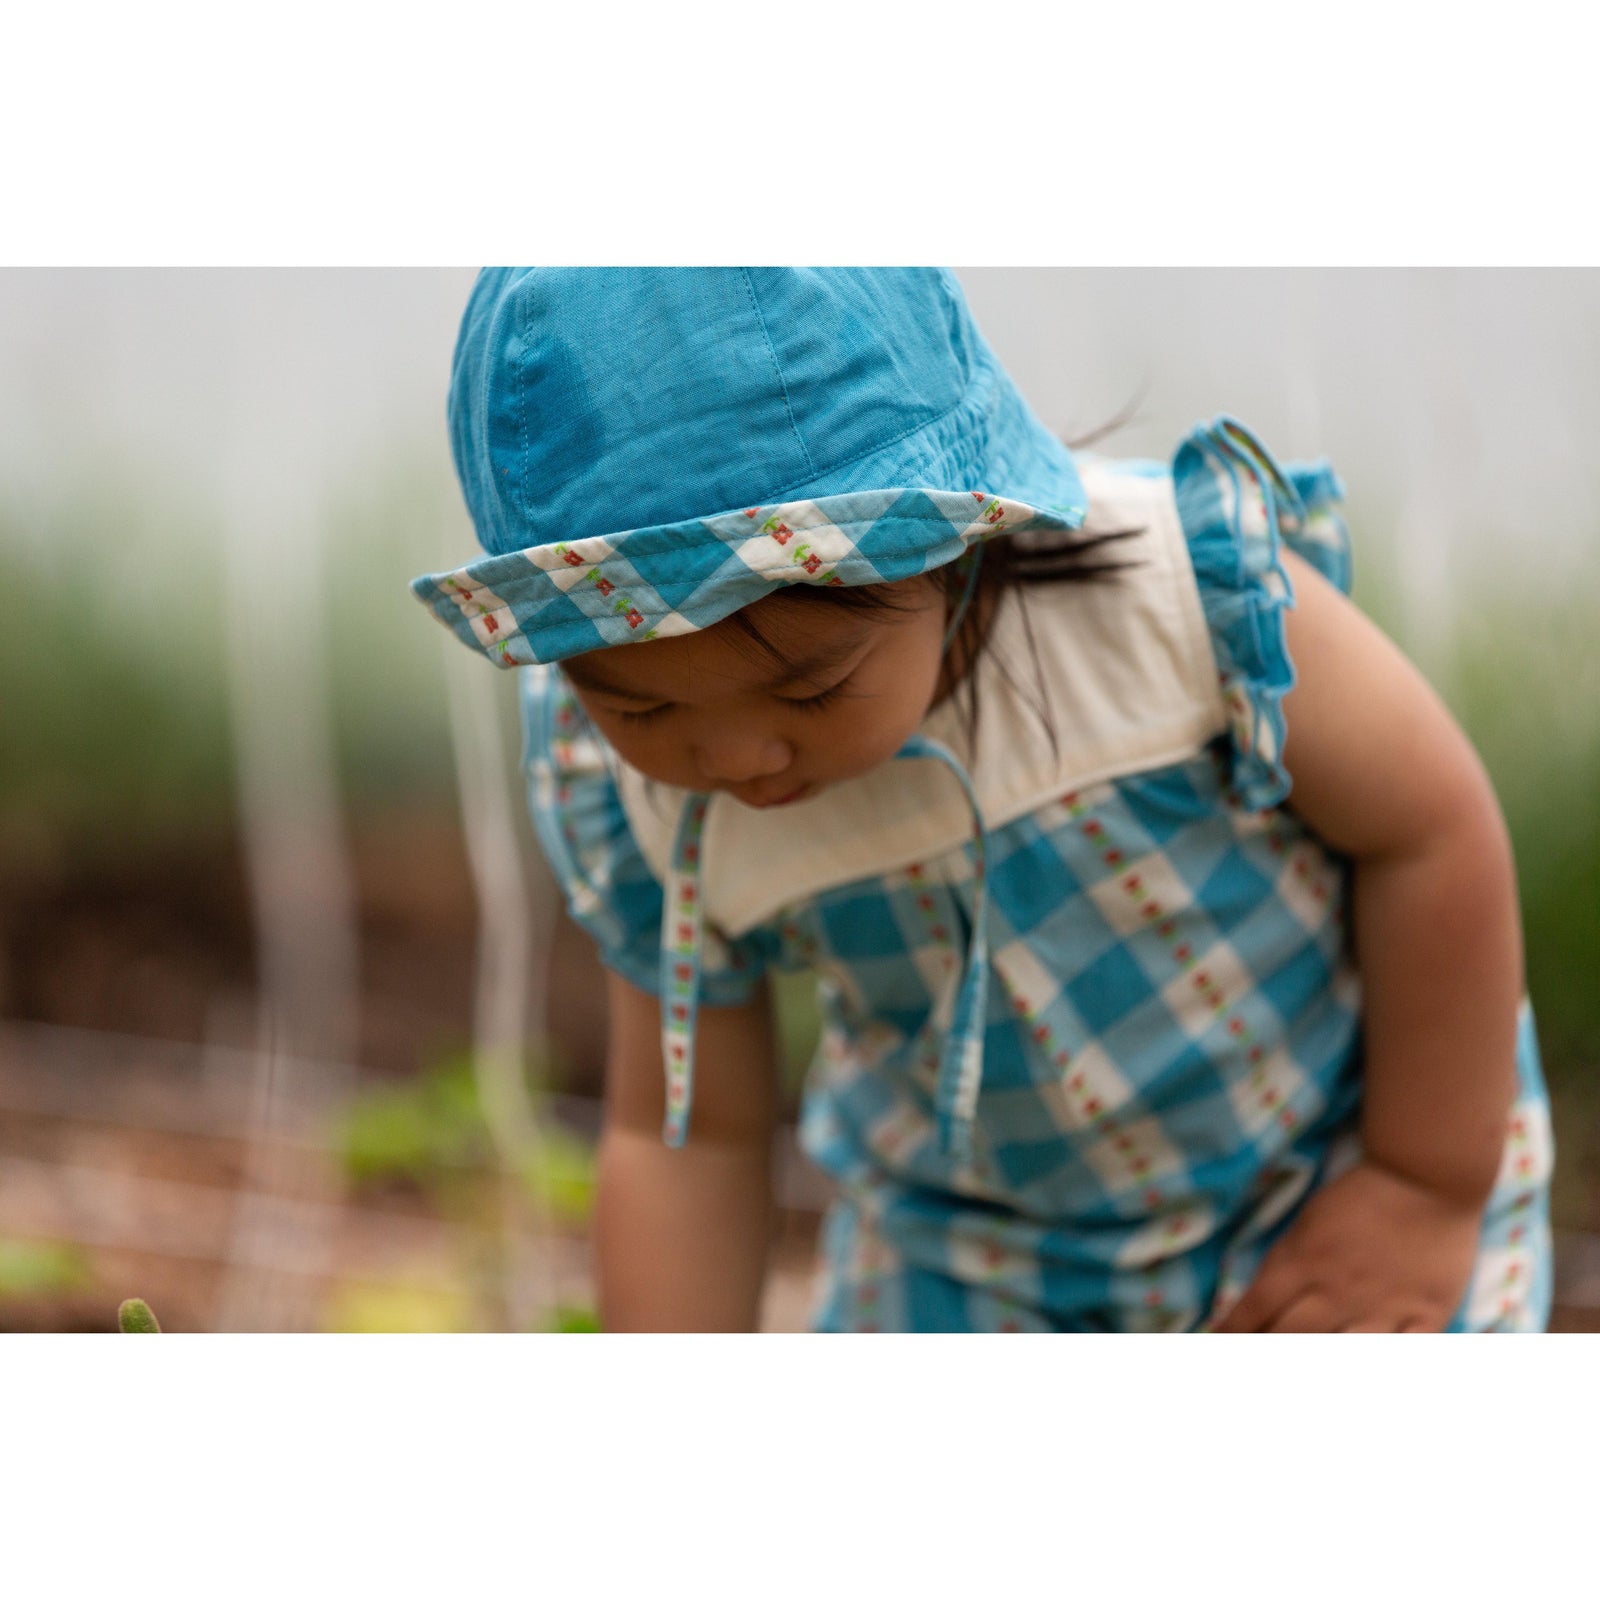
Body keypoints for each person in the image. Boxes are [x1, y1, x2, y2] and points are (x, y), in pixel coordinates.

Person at [413, 267, 1553, 1332]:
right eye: (643, 710)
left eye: (809, 688)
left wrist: (1422, 1187)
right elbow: (693, 1135)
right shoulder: (642, 807)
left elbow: (1429, 831)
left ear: (953, 543)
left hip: (1327, 1175)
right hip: (972, 1255)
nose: (740, 759)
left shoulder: (1174, 602)